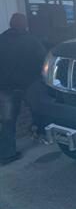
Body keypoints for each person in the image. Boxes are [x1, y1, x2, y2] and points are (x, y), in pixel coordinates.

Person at [0, 13, 46, 165]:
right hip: (29, 86)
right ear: (25, 24)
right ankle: (41, 135)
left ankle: (7, 154)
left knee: (7, 121)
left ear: (11, 24)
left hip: (5, 88)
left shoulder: (1, 39)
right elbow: (43, 61)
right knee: (38, 112)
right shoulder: (32, 40)